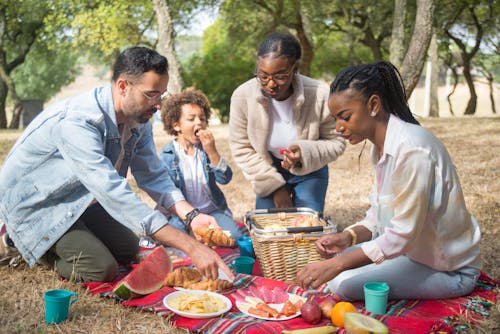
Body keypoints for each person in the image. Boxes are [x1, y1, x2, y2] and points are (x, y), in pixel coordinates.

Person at [0, 46, 233, 282]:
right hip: (39, 205)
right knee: (101, 269)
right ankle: (17, 239)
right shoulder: (79, 121)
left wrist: (192, 216)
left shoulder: (139, 119)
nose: (158, 104)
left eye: (161, 95)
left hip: (81, 199)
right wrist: (192, 247)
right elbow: (111, 190)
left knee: (128, 250)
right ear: (123, 86)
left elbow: (153, 176)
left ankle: (72, 234)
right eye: (152, 94)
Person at [296, 61, 481, 300]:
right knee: (334, 265)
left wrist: (340, 264)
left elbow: (401, 236)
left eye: (345, 117)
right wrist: (347, 237)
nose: (339, 128)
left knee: (341, 282)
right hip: (410, 255)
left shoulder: (413, 150)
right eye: (335, 119)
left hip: (448, 270)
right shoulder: (382, 148)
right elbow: (378, 217)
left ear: (373, 105)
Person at [229, 32, 346, 213]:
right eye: (263, 76)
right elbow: (241, 148)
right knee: (269, 229)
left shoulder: (319, 94)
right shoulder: (242, 96)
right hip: (266, 168)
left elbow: (336, 141)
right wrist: (274, 187)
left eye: (280, 76)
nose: (271, 84)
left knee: (306, 228)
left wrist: (304, 153)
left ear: (295, 68)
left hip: (311, 169)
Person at [158, 89, 243, 241]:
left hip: (212, 211)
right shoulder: (168, 156)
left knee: (234, 237)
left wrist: (212, 151)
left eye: (202, 119)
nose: (199, 122)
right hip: (183, 215)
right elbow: (166, 193)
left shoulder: (205, 150)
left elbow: (225, 178)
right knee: (176, 240)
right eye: (191, 119)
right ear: (176, 125)